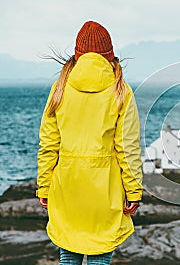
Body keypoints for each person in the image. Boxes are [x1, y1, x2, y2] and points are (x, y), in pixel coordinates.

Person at [36, 20, 143, 265]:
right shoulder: (121, 91)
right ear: (110, 55)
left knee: (68, 250)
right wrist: (133, 190)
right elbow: (127, 148)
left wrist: (43, 185)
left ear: (77, 55)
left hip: (66, 185)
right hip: (105, 187)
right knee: (100, 251)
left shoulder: (60, 88)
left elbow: (49, 144)